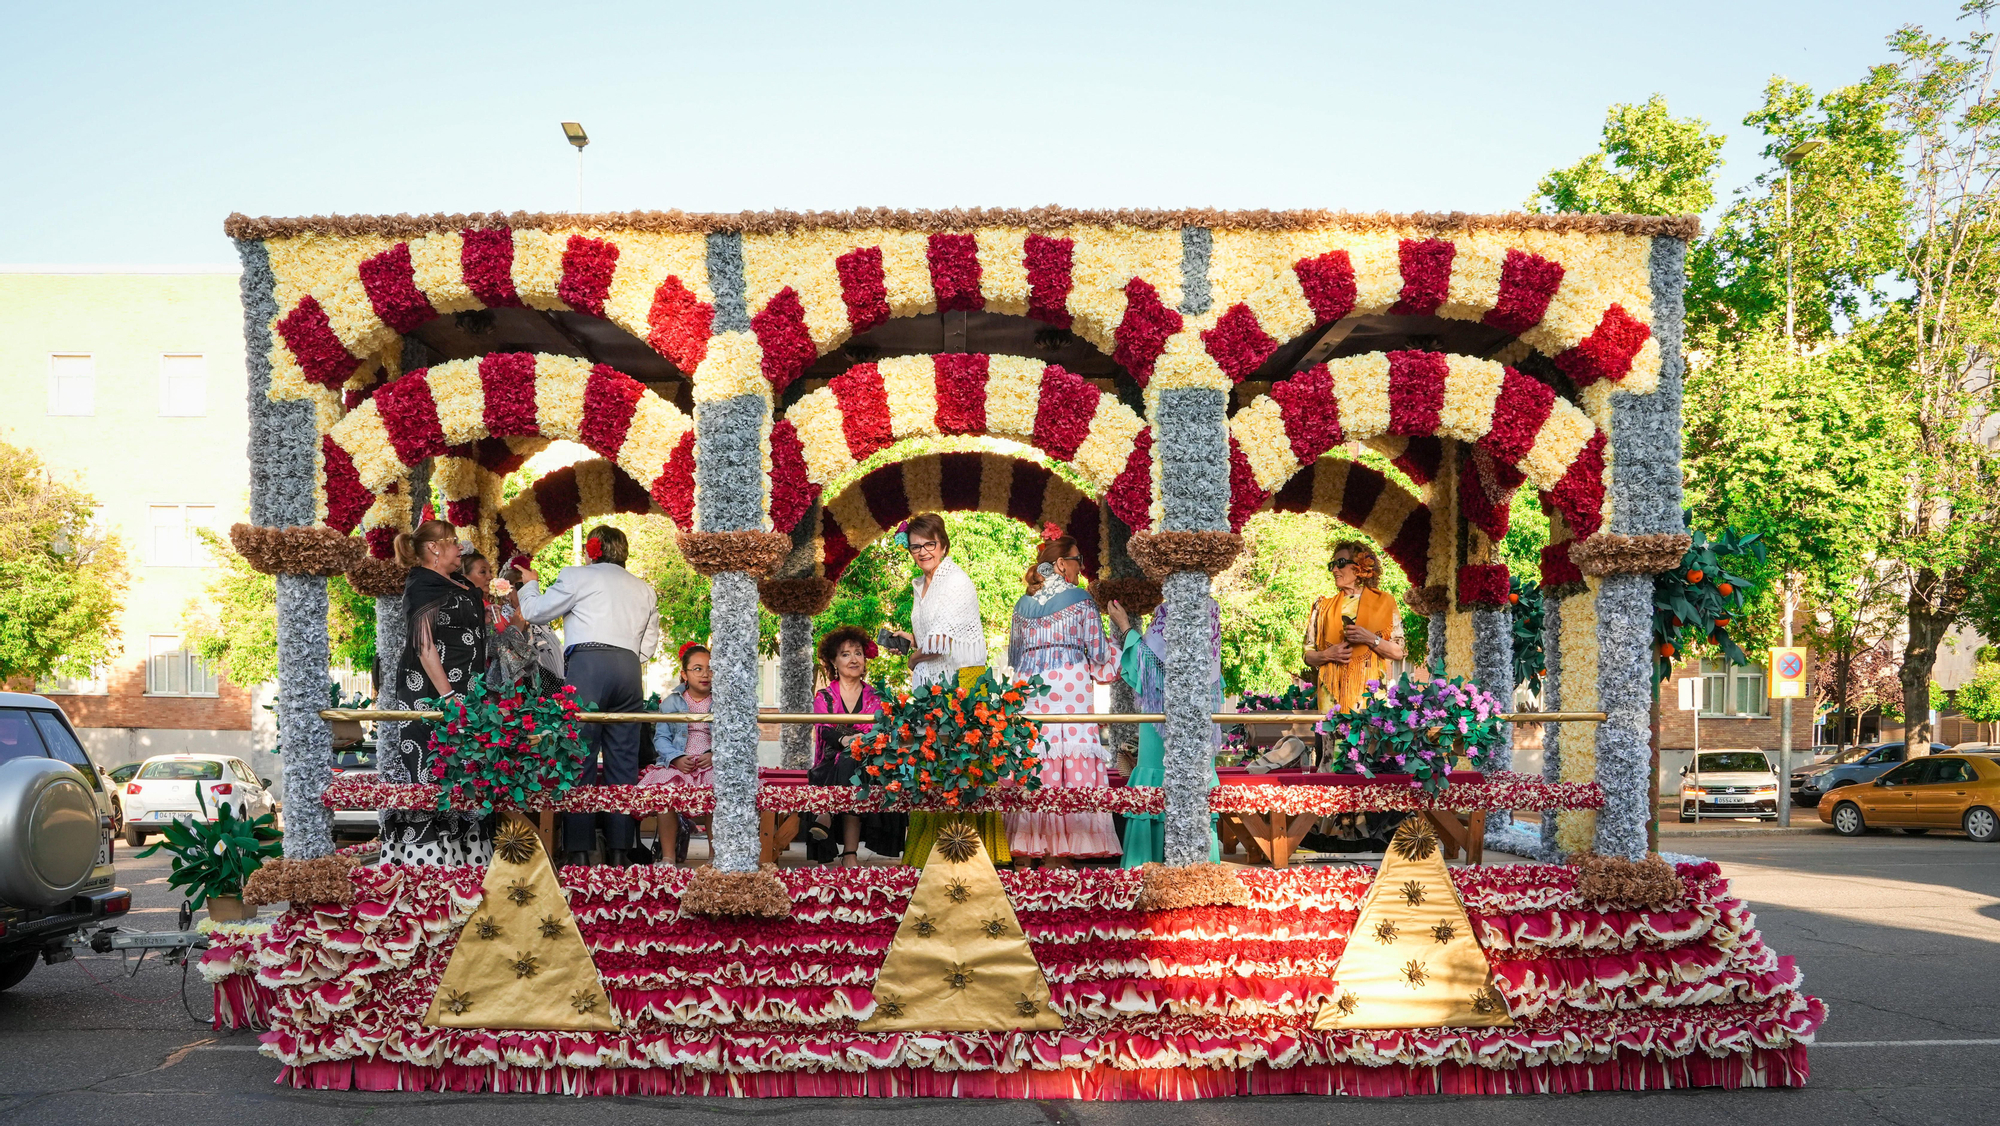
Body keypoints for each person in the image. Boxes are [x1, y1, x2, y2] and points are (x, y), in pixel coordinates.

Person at [517, 525, 662, 867]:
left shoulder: (577, 576)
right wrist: (625, 660)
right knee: (623, 762)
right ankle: (620, 851)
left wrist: (529, 584)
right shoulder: (644, 588)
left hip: (588, 664)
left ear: (592, 550)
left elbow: (537, 612)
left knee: (579, 758)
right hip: (629, 670)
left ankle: (580, 850)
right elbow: (649, 645)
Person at [884, 512, 1007, 867]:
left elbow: (938, 645)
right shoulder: (921, 584)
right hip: (934, 686)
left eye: (929, 545)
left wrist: (913, 659)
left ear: (944, 544)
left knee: (961, 770)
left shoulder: (955, 581)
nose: (922, 552)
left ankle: (970, 861)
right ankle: (930, 856)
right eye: (915, 547)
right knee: (934, 771)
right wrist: (911, 643)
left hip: (961, 684)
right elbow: (931, 637)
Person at [1003, 531, 1121, 865]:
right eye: (1077, 561)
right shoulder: (1081, 599)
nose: (1081, 568)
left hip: (1028, 688)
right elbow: (1099, 657)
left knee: (1034, 759)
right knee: (1068, 761)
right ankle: (1060, 853)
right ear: (1060, 563)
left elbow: (1015, 655)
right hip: (1068, 685)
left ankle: (1026, 851)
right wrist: (1122, 640)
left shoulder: (1023, 603)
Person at [383, 519, 494, 865]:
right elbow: (424, 645)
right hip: (431, 693)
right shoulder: (422, 584)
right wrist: (448, 697)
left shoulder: (459, 583)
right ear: (434, 548)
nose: (460, 547)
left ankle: (467, 862)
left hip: (470, 692)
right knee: (431, 771)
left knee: (467, 773)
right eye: (453, 542)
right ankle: (427, 863)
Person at [1106, 596, 1222, 867]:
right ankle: (1196, 872)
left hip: (1163, 720)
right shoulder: (1211, 607)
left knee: (1155, 782)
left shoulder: (1174, 608)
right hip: (1196, 717)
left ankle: (1147, 868)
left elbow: (1149, 666)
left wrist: (1125, 626)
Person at [808, 625, 905, 865]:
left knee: (854, 763)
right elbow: (825, 730)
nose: (854, 659)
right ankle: (849, 854)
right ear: (833, 661)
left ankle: (827, 813)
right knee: (848, 764)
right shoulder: (824, 697)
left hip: (869, 763)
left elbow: (878, 731)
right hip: (829, 765)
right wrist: (846, 740)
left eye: (858, 653)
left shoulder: (876, 696)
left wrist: (855, 741)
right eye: (845, 654)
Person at [1303, 540, 1406, 715]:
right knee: (1332, 741)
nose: (1335, 570)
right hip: (1331, 695)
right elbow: (1307, 655)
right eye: (1332, 565)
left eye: (1341, 563)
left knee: (1369, 742)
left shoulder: (1385, 602)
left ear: (1360, 567)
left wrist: (1370, 638)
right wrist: (1327, 654)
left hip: (1369, 695)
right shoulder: (1322, 607)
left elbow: (1398, 652)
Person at [641, 643, 712, 865]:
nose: (705, 674)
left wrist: (714, 754)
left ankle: (715, 854)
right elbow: (661, 737)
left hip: (711, 762)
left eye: (710, 669)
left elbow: (732, 737)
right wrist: (676, 758)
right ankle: (669, 856)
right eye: (697, 669)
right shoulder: (672, 702)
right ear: (684, 674)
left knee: (718, 789)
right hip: (679, 761)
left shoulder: (723, 702)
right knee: (665, 790)